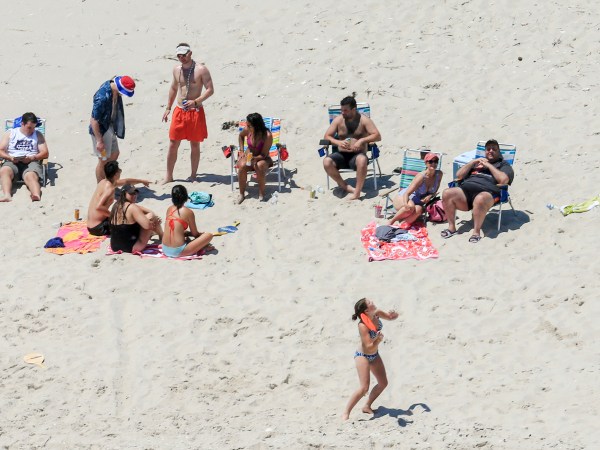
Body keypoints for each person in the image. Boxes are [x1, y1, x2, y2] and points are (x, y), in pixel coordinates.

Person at [440, 139, 514, 243]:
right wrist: (472, 162)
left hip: (488, 194)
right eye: (488, 149)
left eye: (494, 149)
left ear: (498, 152)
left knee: (480, 198)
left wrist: (488, 165)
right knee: (447, 193)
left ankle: (476, 232)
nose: (491, 151)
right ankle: (451, 228)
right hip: (466, 192)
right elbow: (459, 175)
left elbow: (504, 179)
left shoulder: (503, 165)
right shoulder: (476, 164)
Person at [162, 43, 214, 184]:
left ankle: (193, 175)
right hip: (179, 110)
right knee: (173, 143)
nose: (181, 58)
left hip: (194, 111)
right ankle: (169, 176)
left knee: (195, 144)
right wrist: (168, 107)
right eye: (179, 55)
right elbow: (173, 88)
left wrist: (196, 101)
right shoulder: (176, 69)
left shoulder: (201, 70)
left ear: (190, 53)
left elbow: (210, 89)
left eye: (184, 55)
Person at [343, 298, 399, 421]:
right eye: (369, 302)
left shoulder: (377, 313)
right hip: (363, 356)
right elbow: (368, 346)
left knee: (383, 383)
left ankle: (367, 406)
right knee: (364, 388)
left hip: (375, 355)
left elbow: (390, 317)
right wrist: (378, 340)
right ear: (366, 310)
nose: (373, 301)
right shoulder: (362, 325)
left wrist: (395, 315)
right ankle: (346, 413)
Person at [323, 96, 381, 200]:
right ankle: (345, 186)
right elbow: (327, 136)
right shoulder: (338, 120)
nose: (342, 113)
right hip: (341, 155)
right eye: (341, 110)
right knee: (326, 161)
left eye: (345, 110)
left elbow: (377, 136)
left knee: (362, 160)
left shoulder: (364, 120)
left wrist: (362, 140)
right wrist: (338, 142)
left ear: (353, 109)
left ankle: (357, 192)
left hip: (357, 156)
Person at [89, 75, 136, 182]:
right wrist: (99, 141)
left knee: (115, 154)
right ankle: (100, 185)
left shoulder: (113, 85)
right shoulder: (102, 97)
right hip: (100, 131)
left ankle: (107, 178)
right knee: (103, 160)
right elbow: (93, 120)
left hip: (109, 126)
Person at [86, 161, 151, 236]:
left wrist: (142, 181)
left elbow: (126, 181)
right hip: (99, 227)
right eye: (119, 170)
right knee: (132, 224)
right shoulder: (109, 189)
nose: (120, 171)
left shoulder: (103, 182)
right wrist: (113, 215)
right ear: (116, 174)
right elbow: (98, 207)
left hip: (92, 225)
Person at [0, 112, 49, 202]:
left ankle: (36, 195)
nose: (32, 130)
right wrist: (10, 157)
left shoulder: (37, 134)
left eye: (34, 127)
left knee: (30, 175)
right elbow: (1, 150)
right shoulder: (11, 133)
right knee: (4, 170)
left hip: (31, 161)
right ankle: (7, 195)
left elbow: (45, 153)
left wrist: (32, 158)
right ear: (22, 124)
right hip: (13, 160)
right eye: (29, 128)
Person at [388, 152, 443, 228]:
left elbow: (435, 190)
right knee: (410, 207)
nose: (433, 164)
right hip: (403, 198)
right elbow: (407, 193)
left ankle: (401, 226)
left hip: (417, 202)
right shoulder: (421, 177)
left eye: (436, 161)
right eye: (431, 162)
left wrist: (429, 196)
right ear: (426, 163)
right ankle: (391, 222)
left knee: (419, 210)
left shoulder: (439, 174)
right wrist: (405, 204)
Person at [162, 184, 213, 257]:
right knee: (209, 235)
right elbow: (195, 234)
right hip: (178, 251)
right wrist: (201, 236)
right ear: (186, 197)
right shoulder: (188, 212)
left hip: (165, 249)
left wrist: (188, 233)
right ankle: (201, 248)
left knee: (181, 231)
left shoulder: (169, 209)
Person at [109, 184, 163, 253]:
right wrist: (155, 221)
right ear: (124, 193)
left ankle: (155, 233)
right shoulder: (132, 207)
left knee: (145, 218)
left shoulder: (116, 205)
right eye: (131, 193)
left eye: (135, 193)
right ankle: (162, 235)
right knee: (151, 217)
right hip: (132, 247)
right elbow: (148, 226)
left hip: (115, 246)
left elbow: (141, 209)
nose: (134, 195)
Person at [236, 113, 273, 204]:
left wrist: (255, 159)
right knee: (241, 166)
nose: (247, 127)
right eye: (246, 125)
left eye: (249, 125)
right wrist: (241, 150)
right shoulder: (247, 130)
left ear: (257, 126)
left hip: (262, 158)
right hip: (249, 156)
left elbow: (264, 154)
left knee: (259, 166)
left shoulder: (267, 135)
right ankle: (241, 194)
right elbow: (241, 136)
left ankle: (261, 193)